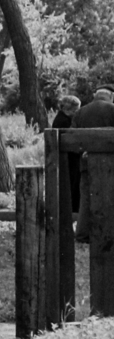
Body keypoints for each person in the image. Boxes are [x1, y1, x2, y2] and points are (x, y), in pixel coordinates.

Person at [71, 87, 114, 240]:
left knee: (86, 198)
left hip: (86, 161)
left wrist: (84, 151)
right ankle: (107, 233)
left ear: (95, 96)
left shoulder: (80, 112)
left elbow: (72, 137)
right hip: (110, 162)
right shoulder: (112, 109)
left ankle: (83, 234)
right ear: (111, 96)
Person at [53, 92, 83, 215]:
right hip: (69, 159)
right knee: (72, 184)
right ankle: (73, 211)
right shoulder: (64, 121)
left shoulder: (62, 118)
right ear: (69, 109)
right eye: (76, 109)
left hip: (67, 158)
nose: (78, 112)